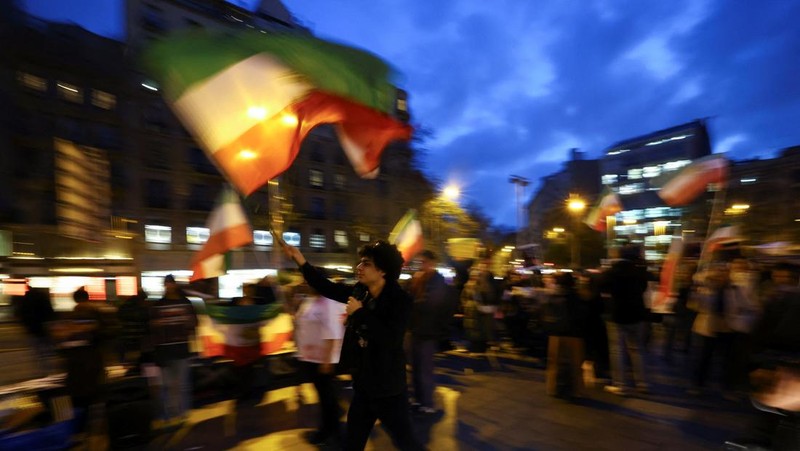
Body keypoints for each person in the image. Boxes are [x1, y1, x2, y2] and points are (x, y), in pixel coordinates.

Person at [278, 237, 425, 451]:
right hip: (364, 386)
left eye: (366, 263)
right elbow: (326, 287)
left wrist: (360, 313)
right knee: (352, 443)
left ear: (382, 271)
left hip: (389, 390)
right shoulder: (360, 291)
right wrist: (300, 260)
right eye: (360, 262)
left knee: (406, 442)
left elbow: (390, 339)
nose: (359, 267)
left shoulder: (400, 300)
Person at [293, 281, 347, 446]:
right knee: (325, 396)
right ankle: (331, 427)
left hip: (321, 359)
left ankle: (330, 433)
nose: (305, 283)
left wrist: (327, 360)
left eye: (309, 280)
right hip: (309, 357)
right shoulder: (310, 300)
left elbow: (333, 331)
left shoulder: (327, 302)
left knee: (326, 398)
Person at [599, 245, 651, 395]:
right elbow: (643, 288)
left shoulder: (612, 272)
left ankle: (620, 384)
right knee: (637, 350)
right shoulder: (640, 272)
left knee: (617, 350)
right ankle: (642, 383)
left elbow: (603, 289)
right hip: (637, 314)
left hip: (617, 314)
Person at [150, 274, 197, 426]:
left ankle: (183, 413)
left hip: (182, 349)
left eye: (171, 284)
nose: (169, 286)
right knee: (168, 385)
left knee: (182, 384)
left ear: (175, 285)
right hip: (164, 351)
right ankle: (170, 413)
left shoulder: (185, 303)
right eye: (167, 284)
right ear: (165, 286)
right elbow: (152, 327)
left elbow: (194, 324)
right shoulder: (158, 305)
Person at [408, 250, 449, 415]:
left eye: (423, 262)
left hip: (428, 332)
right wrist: (414, 285)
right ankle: (418, 399)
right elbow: (409, 301)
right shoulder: (418, 280)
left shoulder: (438, 281)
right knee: (415, 368)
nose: (420, 265)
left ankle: (428, 403)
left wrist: (417, 291)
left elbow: (430, 306)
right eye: (418, 262)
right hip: (415, 331)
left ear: (432, 263)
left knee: (425, 369)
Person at [15, 285, 56, 377]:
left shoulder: (25, 300)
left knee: (39, 352)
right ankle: (49, 370)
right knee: (47, 350)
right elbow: (50, 313)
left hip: (33, 330)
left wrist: (26, 327)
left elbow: (21, 314)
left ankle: (43, 371)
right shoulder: (43, 298)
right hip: (45, 329)